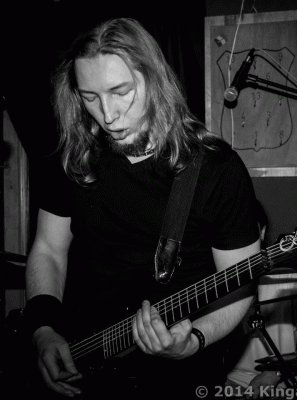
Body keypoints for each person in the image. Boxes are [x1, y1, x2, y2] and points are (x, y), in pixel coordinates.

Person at [24, 17, 260, 399]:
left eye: (121, 92)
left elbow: (241, 282)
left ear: (154, 79)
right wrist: (44, 330)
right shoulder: (73, 158)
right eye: (90, 97)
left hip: (180, 379)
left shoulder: (216, 169)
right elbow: (49, 249)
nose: (108, 115)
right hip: (83, 363)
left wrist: (194, 341)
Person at [224, 269, 297, 399]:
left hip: (278, 388)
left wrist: (275, 373)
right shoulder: (221, 277)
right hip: (227, 385)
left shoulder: (291, 276)